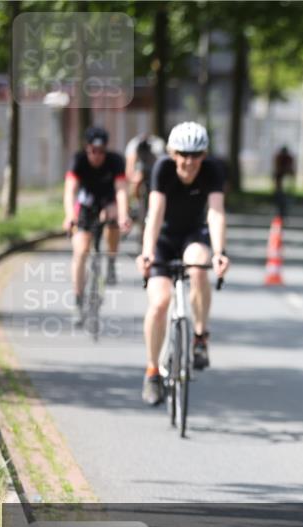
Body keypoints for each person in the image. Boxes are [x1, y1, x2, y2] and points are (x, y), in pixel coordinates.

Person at [138, 122, 230, 406]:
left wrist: (219, 252)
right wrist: (146, 252)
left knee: (199, 266)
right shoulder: (162, 169)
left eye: (196, 155)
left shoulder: (212, 170)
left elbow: (215, 213)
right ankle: (152, 371)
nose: (189, 162)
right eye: (183, 155)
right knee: (159, 303)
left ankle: (200, 337)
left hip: (193, 236)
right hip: (163, 240)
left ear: (204, 155)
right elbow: (154, 213)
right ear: (171, 153)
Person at [62, 126, 130, 321]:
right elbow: (70, 191)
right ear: (87, 148)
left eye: (101, 151)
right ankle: (78, 300)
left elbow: (121, 190)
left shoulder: (115, 161)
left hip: (108, 202)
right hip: (86, 205)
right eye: (93, 150)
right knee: (81, 251)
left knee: (113, 218)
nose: (97, 156)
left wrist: (123, 215)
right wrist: (69, 216)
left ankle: (111, 260)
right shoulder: (79, 160)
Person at [124, 132, 166, 223]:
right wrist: (135, 179)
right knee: (133, 183)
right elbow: (129, 170)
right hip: (140, 169)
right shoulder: (133, 145)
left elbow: (162, 168)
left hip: (154, 167)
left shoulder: (157, 145)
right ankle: (132, 206)